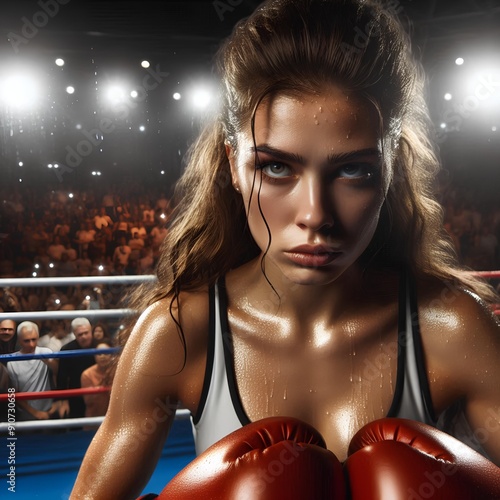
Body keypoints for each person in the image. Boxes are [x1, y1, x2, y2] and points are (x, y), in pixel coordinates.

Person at [72, 0, 500, 498]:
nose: (316, 214)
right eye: (277, 167)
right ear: (234, 165)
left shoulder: (448, 329)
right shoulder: (181, 333)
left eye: (353, 170)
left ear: (392, 169)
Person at [6, 321, 59, 421]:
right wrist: (35, 413)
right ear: (20, 341)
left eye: (34, 339)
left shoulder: (45, 352)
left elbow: (58, 373)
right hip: (26, 412)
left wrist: (49, 361)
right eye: (27, 341)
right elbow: (14, 394)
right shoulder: (12, 362)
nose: (31, 344)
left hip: (48, 409)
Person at [57, 317, 95, 419]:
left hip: (97, 393)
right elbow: (62, 377)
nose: (84, 337)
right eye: (80, 334)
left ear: (91, 330)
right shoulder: (67, 350)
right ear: (74, 334)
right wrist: (63, 401)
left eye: (86, 333)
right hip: (76, 395)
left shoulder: (100, 346)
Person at [80, 338, 115, 419]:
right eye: (99, 354)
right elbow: (88, 401)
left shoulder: (118, 371)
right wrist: (103, 384)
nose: (102, 356)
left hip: (115, 418)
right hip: (94, 419)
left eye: (106, 353)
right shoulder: (87, 374)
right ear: (95, 356)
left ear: (111, 355)